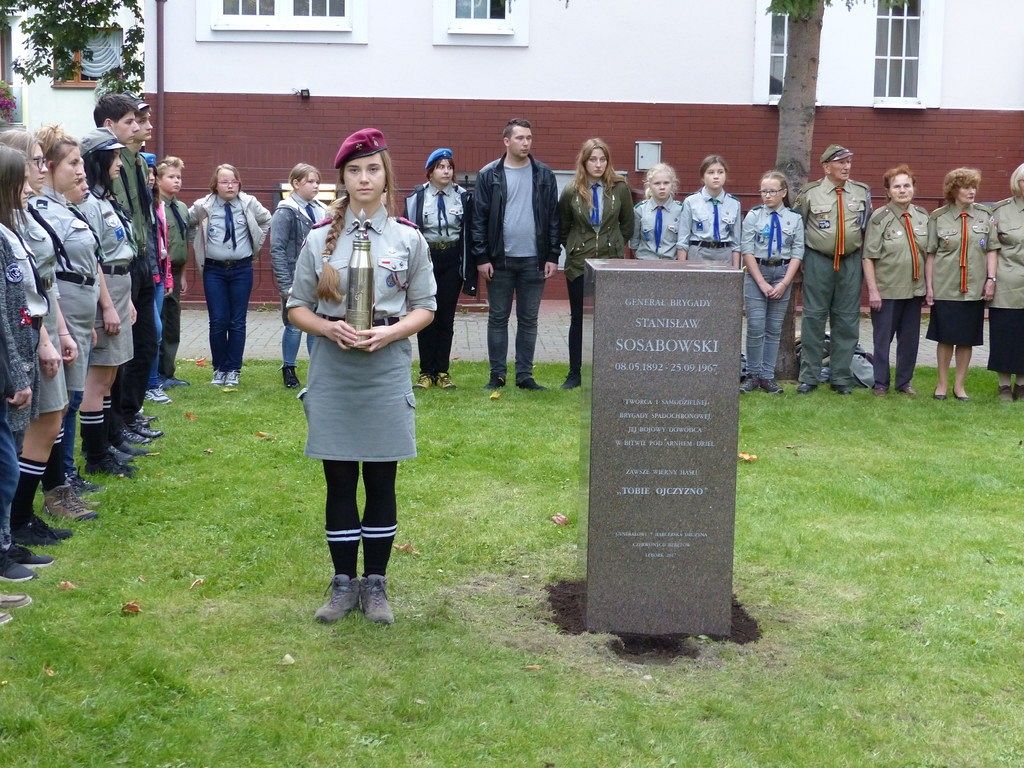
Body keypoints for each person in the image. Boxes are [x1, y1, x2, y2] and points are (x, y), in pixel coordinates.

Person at [286, 128, 437, 625]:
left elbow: (425, 308)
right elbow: (295, 309)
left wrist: (391, 336)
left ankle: (376, 583)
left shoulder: (408, 238)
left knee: (380, 477)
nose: (364, 178)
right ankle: (341, 582)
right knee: (338, 479)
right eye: (354, 170)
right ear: (343, 180)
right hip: (335, 367)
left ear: (386, 175)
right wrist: (328, 329)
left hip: (385, 367)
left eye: (373, 169)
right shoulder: (317, 240)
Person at [471, 118, 559, 391]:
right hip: (499, 261)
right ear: (507, 141)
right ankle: (497, 376)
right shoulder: (489, 175)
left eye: (529, 138)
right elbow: (479, 219)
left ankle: (525, 376)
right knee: (498, 318)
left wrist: (553, 255)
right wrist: (482, 257)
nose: (526, 143)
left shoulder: (544, 175)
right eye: (520, 138)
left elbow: (553, 218)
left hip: (534, 260)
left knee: (529, 319)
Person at [0, 143, 54, 582]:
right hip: (10, 362)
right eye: (30, 168)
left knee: (10, 454)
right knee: (4, 463)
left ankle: (5, 539)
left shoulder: (11, 230)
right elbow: (4, 311)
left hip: (22, 350)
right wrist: (16, 373)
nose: (39, 173)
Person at [76, 127, 140, 479]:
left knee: (110, 373)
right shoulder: (88, 204)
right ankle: (96, 453)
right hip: (106, 287)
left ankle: (106, 444)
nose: (119, 163)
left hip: (120, 283)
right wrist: (108, 305)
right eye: (113, 157)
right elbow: (95, 258)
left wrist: (124, 298)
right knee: (98, 380)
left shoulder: (103, 200)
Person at [794, 144, 872, 395]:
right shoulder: (810, 193)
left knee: (847, 319)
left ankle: (840, 376)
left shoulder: (861, 192)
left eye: (849, 162)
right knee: (814, 318)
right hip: (818, 260)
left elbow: (865, 227)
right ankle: (810, 376)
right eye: (840, 163)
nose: (846, 166)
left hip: (850, 260)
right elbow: (799, 225)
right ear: (826, 167)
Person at [557, 138, 633, 389]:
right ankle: (574, 373)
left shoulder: (619, 188)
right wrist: (576, 246)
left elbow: (628, 225)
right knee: (579, 319)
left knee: (610, 319)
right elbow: (563, 227)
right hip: (580, 262)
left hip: (611, 262)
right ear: (584, 161)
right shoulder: (571, 190)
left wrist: (613, 243)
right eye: (593, 159)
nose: (598, 164)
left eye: (603, 159)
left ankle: (608, 372)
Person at [189, 164, 272, 387]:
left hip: (241, 269)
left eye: (234, 181)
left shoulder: (249, 203)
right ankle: (219, 368)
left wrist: (257, 242)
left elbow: (266, 220)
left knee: (237, 321)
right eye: (224, 181)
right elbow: (187, 223)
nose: (230, 186)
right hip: (214, 270)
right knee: (218, 320)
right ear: (215, 185)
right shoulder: (203, 206)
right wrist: (197, 243)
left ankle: (234, 369)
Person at [404, 148, 475, 389]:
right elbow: (408, 232)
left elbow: (469, 232)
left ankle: (442, 371)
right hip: (427, 258)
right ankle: (426, 372)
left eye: (449, 167)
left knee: (446, 317)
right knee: (425, 315)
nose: (446, 171)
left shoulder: (463, 196)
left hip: (452, 257)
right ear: (430, 171)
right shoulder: (417, 197)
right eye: (440, 167)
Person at [925, 168, 998, 402]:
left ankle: (960, 386)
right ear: (954, 190)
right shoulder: (938, 217)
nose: (971, 191)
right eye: (966, 187)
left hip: (974, 288)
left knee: (967, 338)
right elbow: (931, 254)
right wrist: (929, 287)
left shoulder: (985, 216)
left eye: (974, 186)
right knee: (945, 338)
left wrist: (991, 279)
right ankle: (942, 384)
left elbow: (991, 250)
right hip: (946, 286)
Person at [862, 164, 928, 396]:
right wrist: (873, 291)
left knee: (909, 341)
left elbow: (928, 254)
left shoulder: (922, 216)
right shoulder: (880, 218)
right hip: (887, 290)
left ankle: (904, 382)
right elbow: (869, 257)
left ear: (914, 188)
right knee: (882, 340)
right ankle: (880, 382)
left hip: (914, 290)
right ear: (888, 191)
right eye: (897, 186)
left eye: (906, 185)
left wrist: (928, 288)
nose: (902, 190)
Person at [739, 171, 804, 394]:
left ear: (783, 192)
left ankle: (767, 376)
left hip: (782, 273)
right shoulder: (754, 216)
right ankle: (753, 374)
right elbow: (746, 250)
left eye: (772, 191)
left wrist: (785, 283)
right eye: (763, 191)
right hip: (758, 272)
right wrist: (761, 282)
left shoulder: (794, 219)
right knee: (756, 325)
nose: (766, 196)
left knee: (774, 329)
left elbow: (797, 252)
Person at [271, 162, 326, 389]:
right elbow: (277, 249)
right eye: (310, 182)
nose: (315, 186)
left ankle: (318, 368)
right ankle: (289, 367)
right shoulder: (286, 211)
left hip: (318, 277)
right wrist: (285, 285)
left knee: (316, 323)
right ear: (295, 184)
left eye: (317, 182)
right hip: (295, 278)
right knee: (294, 325)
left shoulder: (321, 209)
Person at [989, 163, 1024, 401]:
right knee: (1004, 332)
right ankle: (1003, 385)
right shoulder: (1000, 211)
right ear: (1017, 182)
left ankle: (1021, 384)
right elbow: (991, 247)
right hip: (1007, 281)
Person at [155, 156, 190, 389]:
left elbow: (183, 242)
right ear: (158, 179)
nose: (176, 181)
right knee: (158, 321)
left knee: (172, 322)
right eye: (171, 177)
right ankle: (155, 373)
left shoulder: (181, 208)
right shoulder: (156, 207)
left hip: (176, 271)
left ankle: (169, 371)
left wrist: (184, 273)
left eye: (179, 177)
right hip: (159, 271)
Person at [144, 152, 174, 405]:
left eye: (152, 172)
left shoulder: (158, 205)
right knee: (153, 329)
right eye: (147, 172)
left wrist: (167, 277)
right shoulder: (137, 206)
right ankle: (148, 383)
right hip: (144, 276)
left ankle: (153, 383)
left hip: (158, 276)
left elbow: (163, 245)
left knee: (157, 330)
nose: (151, 177)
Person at [679, 155, 741, 267]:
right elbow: (683, 240)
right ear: (703, 177)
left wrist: (736, 271)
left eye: (720, 172)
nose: (716, 176)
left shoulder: (734, 203)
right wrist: (682, 268)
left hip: (724, 254)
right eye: (711, 172)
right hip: (698, 252)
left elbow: (736, 243)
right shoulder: (691, 201)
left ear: (726, 175)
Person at [629, 163, 684, 261]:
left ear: (673, 184)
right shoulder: (640, 210)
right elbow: (634, 242)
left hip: (670, 263)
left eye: (666, 183)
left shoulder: (680, 210)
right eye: (657, 183)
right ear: (649, 185)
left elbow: (683, 240)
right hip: (645, 262)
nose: (662, 187)